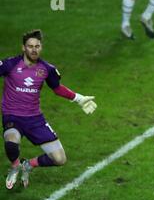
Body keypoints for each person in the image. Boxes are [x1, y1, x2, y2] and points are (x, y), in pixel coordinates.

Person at [0, 29, 97, 189]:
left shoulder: (47, 69)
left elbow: (57, 88)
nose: (34, 49)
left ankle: (28, 165)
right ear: (23, 48)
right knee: (11, 142)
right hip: (13, 116)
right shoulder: (10, 64)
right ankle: (15, 166)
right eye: (30, 46)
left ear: (41, 48)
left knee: (59, 159)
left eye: (37, 46)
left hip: (35, 119)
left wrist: (79, 98)